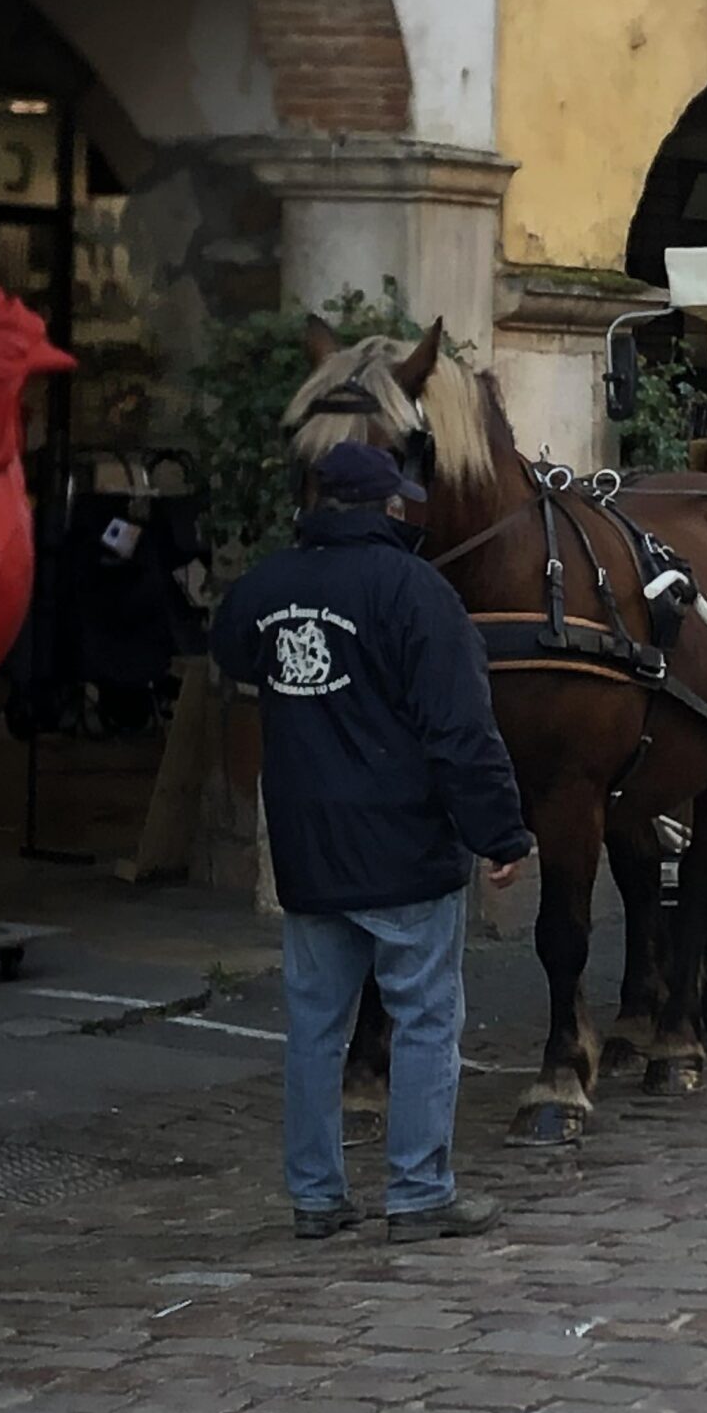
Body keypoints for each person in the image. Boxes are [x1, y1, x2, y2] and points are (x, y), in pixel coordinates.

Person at [211, 440, 533, 1246]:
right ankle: (419, 1191)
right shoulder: (415, 591)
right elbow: (462, 729)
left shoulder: (267, 586)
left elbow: (229, 650)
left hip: (308, 843)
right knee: (425, 1016)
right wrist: (498, 830)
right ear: (392, 504)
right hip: (401, 844)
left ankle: (315, 1195)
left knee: (315, 1026)